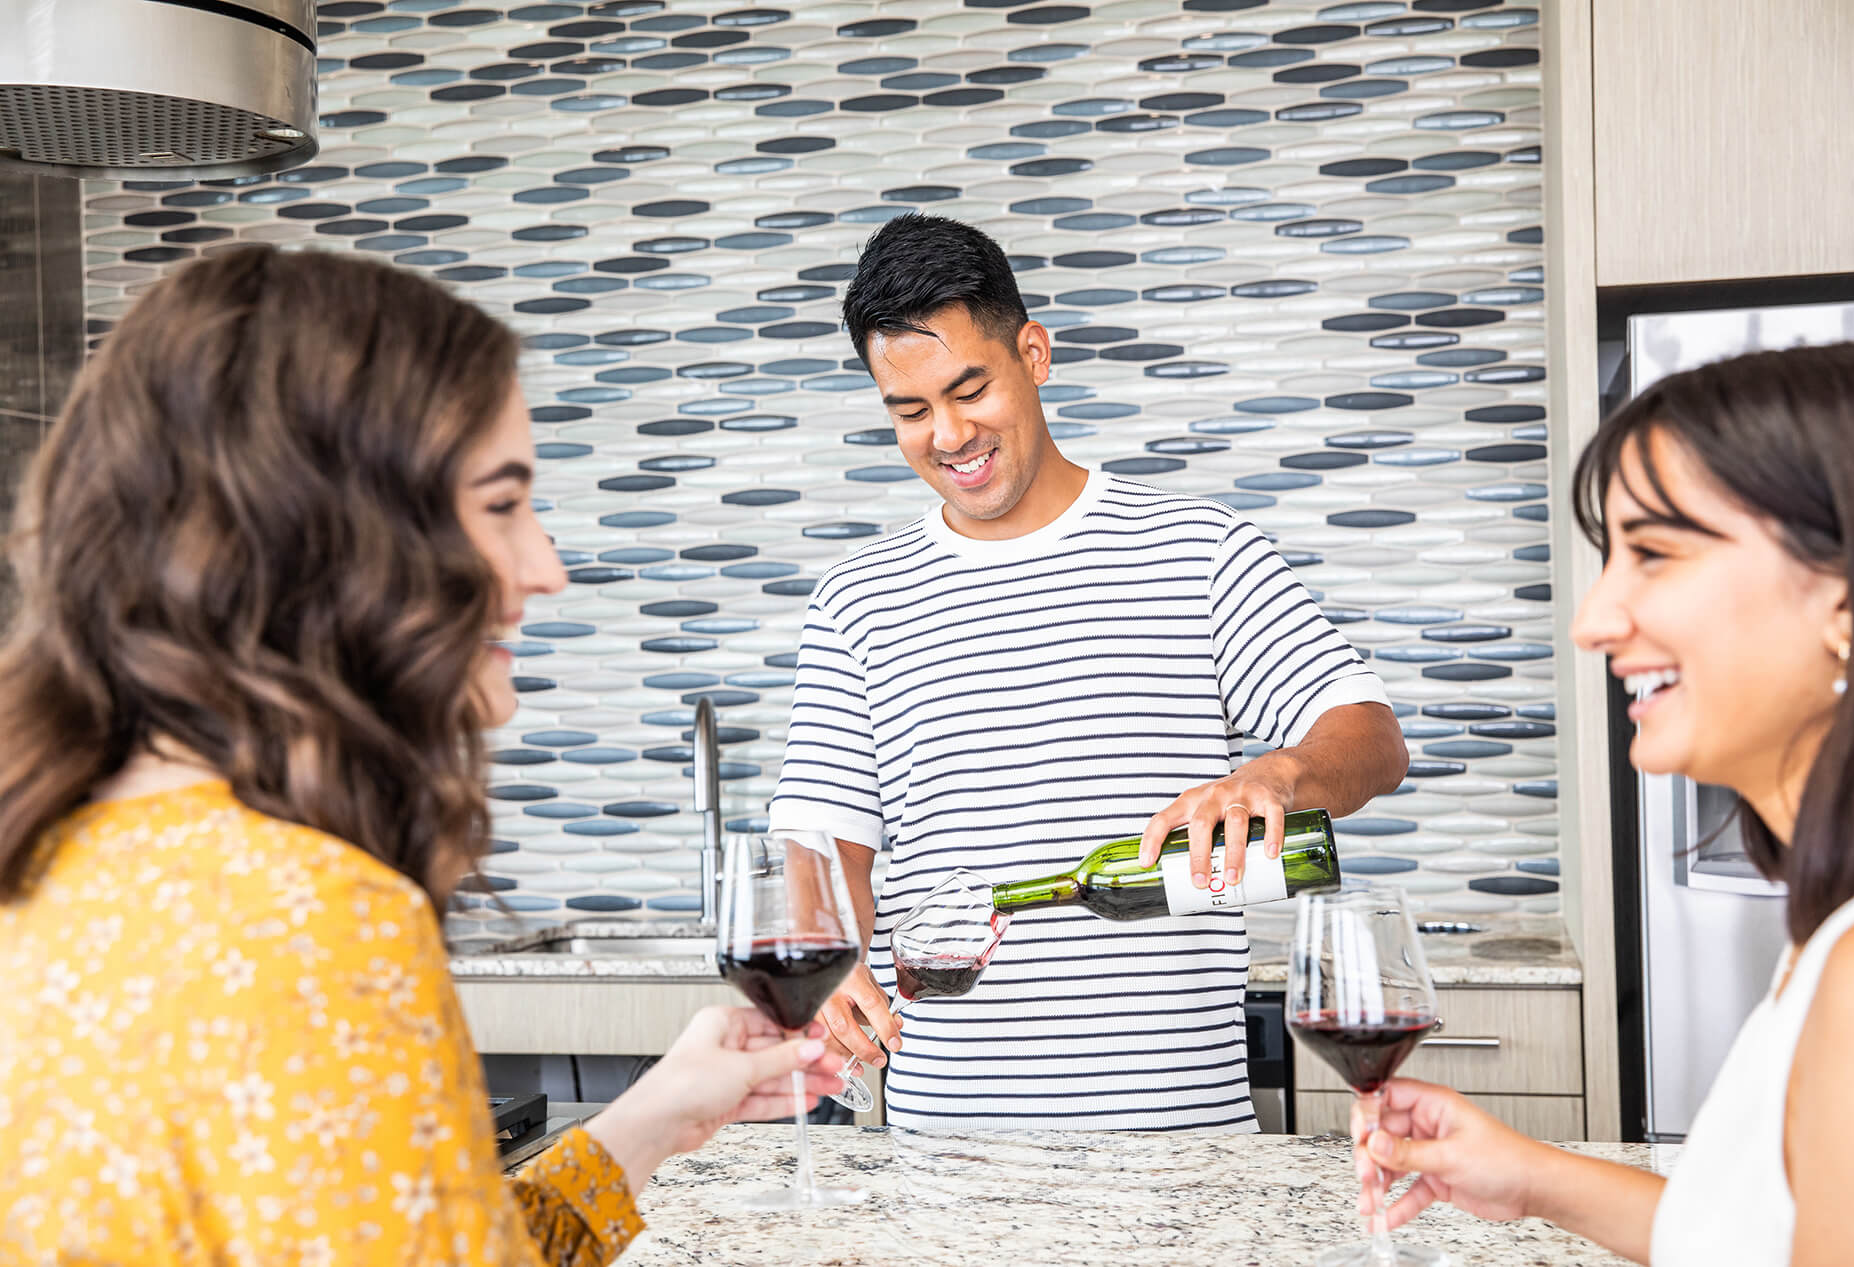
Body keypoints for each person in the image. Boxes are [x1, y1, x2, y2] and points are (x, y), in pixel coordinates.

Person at [0, 245, 843, 1266]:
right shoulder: (313, 923)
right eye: (499, 505)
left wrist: (657, 1115)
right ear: (326, 535)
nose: (547, 568)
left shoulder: (56, 861)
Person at [768, 214, 1409, 1132]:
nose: (948, 435)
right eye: (909, 412)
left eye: (968, 389)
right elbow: (824, 840)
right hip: (949, 1154)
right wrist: (821, 951)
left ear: (1033, 352)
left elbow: (1372, 738)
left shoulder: (1200, 551)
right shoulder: (855, 599)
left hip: (1185, 1152)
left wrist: (1280, 772)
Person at [1349, 342, 1854, 1265]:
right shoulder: (1849, 932)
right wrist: (1530, 1177)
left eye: (1653, 552)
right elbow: (1763, 1234)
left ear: (1849, 600)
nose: (1594, 619)